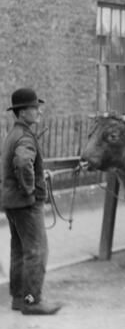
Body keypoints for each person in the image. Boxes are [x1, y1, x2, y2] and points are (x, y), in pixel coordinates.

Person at [1, 88, 62, 315]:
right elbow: (23, 162)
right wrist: (30, 190)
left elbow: (22, 164)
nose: (39, 111)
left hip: (12, 203)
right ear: (22, 112)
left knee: (20, 250)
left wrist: (39, 176)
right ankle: (32, 301)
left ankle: (19, 298)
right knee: (36, 251)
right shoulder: (25, 137)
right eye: (35, 108)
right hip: (26, 205)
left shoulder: (13, 134)